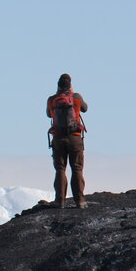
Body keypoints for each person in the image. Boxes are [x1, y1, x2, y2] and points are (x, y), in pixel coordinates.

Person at [46, 73, 88, 208]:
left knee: (60, 169)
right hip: (74, 137)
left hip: (58, 138)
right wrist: (73, 93)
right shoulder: (76, 98)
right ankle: (80, 201)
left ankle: (60, 201)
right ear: (70, 85)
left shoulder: (52, 99)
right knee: (77, 168)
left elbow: (48, 114)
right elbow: (85, 108)